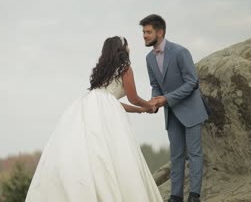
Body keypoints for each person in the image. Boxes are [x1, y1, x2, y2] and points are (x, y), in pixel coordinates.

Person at [25, 36, 163, 202]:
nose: (129, 48)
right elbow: (132, 98)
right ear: (122, 48)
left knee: (93, 151)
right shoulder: (125, 68)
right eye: (127, 45)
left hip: (87, 106)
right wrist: (148, 105)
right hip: (106, 111)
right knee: (114, 151)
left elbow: (112, 100)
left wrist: (140, 110)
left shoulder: (103, 71)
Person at [141, 14, 208, 202]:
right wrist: (154, 102)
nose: (144, 36)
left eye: (148, 32)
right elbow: (155, 84)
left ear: (160, 32)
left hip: (192, 110)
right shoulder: (149, 58)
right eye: (143, 32)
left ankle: (194, 196)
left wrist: (166, 99)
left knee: (194, 154)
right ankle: (175, 196)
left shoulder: (180, 52)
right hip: (171, 114)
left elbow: (192, 83)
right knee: (176, 155)